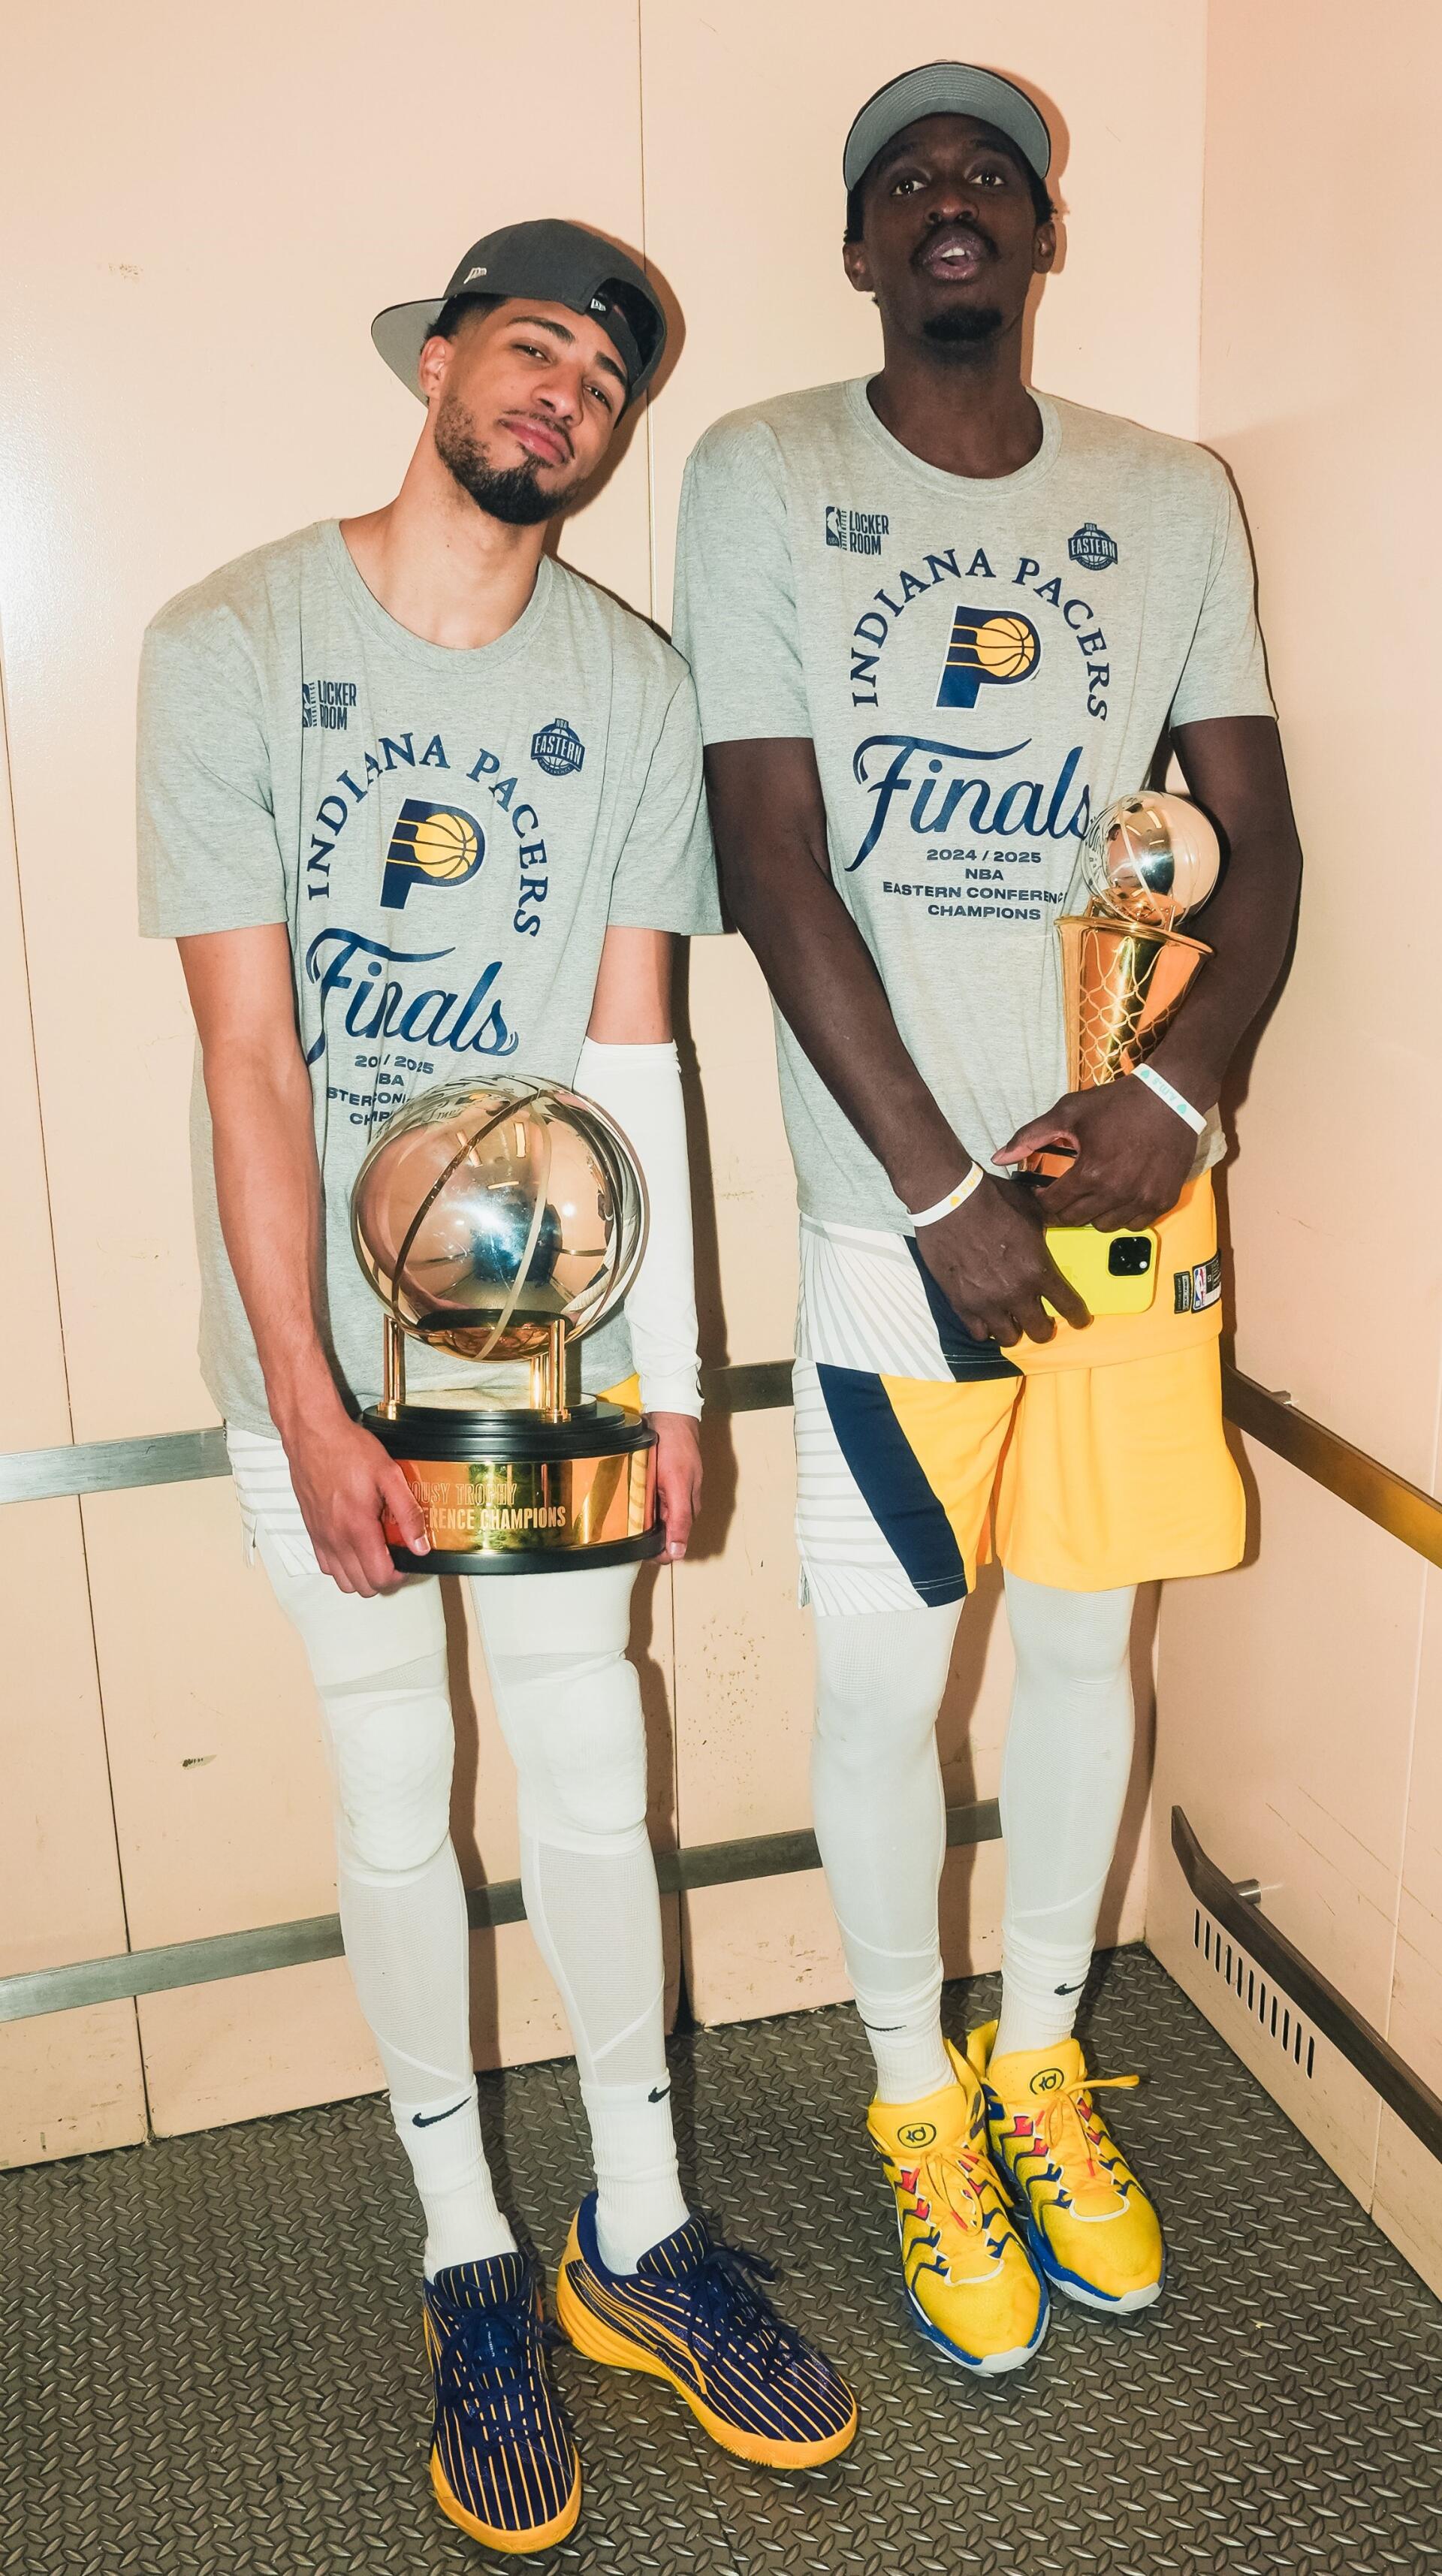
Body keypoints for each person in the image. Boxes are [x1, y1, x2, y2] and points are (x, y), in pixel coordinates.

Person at [137, 220, 854, 2557]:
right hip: (314, 1372)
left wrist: (663, 1387)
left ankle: (634, 2229)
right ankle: (467, 2261)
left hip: (544, 1365)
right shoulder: (229, 641)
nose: (565, 394)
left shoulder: (630, 688)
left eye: (606, 380)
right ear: (438, 361)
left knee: (585, 1768)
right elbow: (251, 1061)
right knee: (385, 1789)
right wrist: (309, 1400)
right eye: (531, 345)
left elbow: (632, 1047)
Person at [674, 64, 1301, 2374]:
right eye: (905, 182)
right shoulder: (760, 471)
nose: (951, 201)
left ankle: (1040, 2055)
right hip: (890, 1228)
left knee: (1080, 1650)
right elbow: (771, 859)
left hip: (1125, 1198)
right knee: (875, 1679)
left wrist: (1178, 1088)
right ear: (859, 253)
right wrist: (935, 1192)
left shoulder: (1168, 494)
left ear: (1043, 239)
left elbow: (1264, 844)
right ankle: (912, 2093)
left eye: (991, 177)